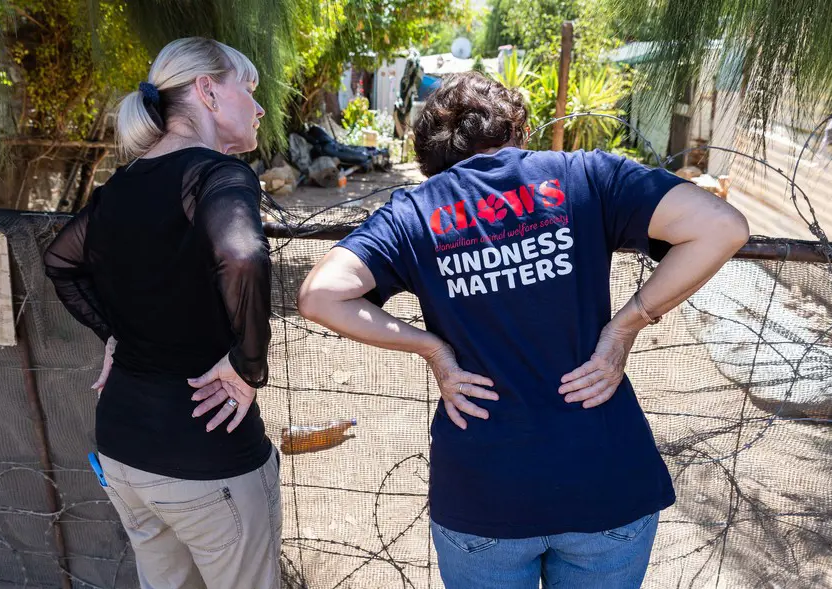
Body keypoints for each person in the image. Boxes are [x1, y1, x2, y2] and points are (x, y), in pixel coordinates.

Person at [297, 72, 749, 589]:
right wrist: (625, 327)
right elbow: (722, 226)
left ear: (430, 153)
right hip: (603, 479)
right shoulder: (586, 176)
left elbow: (319, 295)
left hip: (484, 489)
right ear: (517, 129)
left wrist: (432, 349)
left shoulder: (414, 213)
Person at [44, 37, 280, 589]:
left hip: (126, 454)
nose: (260, 107)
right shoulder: (215, 175)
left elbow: (60, 261)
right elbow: (242, 256)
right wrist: (249, 368)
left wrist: (114, 335)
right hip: (207, 456)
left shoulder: (118, 187)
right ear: (207, 92)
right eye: (249, 89)